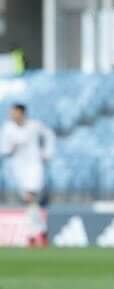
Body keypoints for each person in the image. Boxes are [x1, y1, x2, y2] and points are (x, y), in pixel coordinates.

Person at [0, 104, 54, 246]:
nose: (12, 115)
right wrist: (10, 148)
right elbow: (4, 149)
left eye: (15, 112)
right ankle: (41, 231)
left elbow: (49, 135)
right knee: (30, 202)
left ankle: (31, 234)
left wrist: (47, 153)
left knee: (30, 197)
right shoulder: (8, 129)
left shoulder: (35, 126)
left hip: (34, 166)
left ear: (22, 113)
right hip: (19, 169)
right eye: (11, 113)